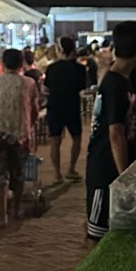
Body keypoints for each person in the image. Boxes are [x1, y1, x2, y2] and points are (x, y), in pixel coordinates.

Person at [85, 21, 136, 240]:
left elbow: (124, 123)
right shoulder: (116, 84)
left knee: (108, 231)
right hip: (105, 169)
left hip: (111, 166)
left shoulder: (121, 80)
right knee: (96, 234)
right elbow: (115, 133)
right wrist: (125, 178)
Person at [0, 49, 38, 228]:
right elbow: (34, 109)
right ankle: (16, 210)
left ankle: (2, 215)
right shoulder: (29, 83)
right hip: (19, 134)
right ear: (21, 64)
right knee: (18, 173)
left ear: (2, 62)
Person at [45, 36, 87, 184]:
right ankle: (71, 169)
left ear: (59, 50)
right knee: (76, 138)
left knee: (55, 140)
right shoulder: (80, 68)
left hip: (55, 106)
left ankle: (57, 174)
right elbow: (82, 88)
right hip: (72, 106)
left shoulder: (52, 68)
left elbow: (45, 89)